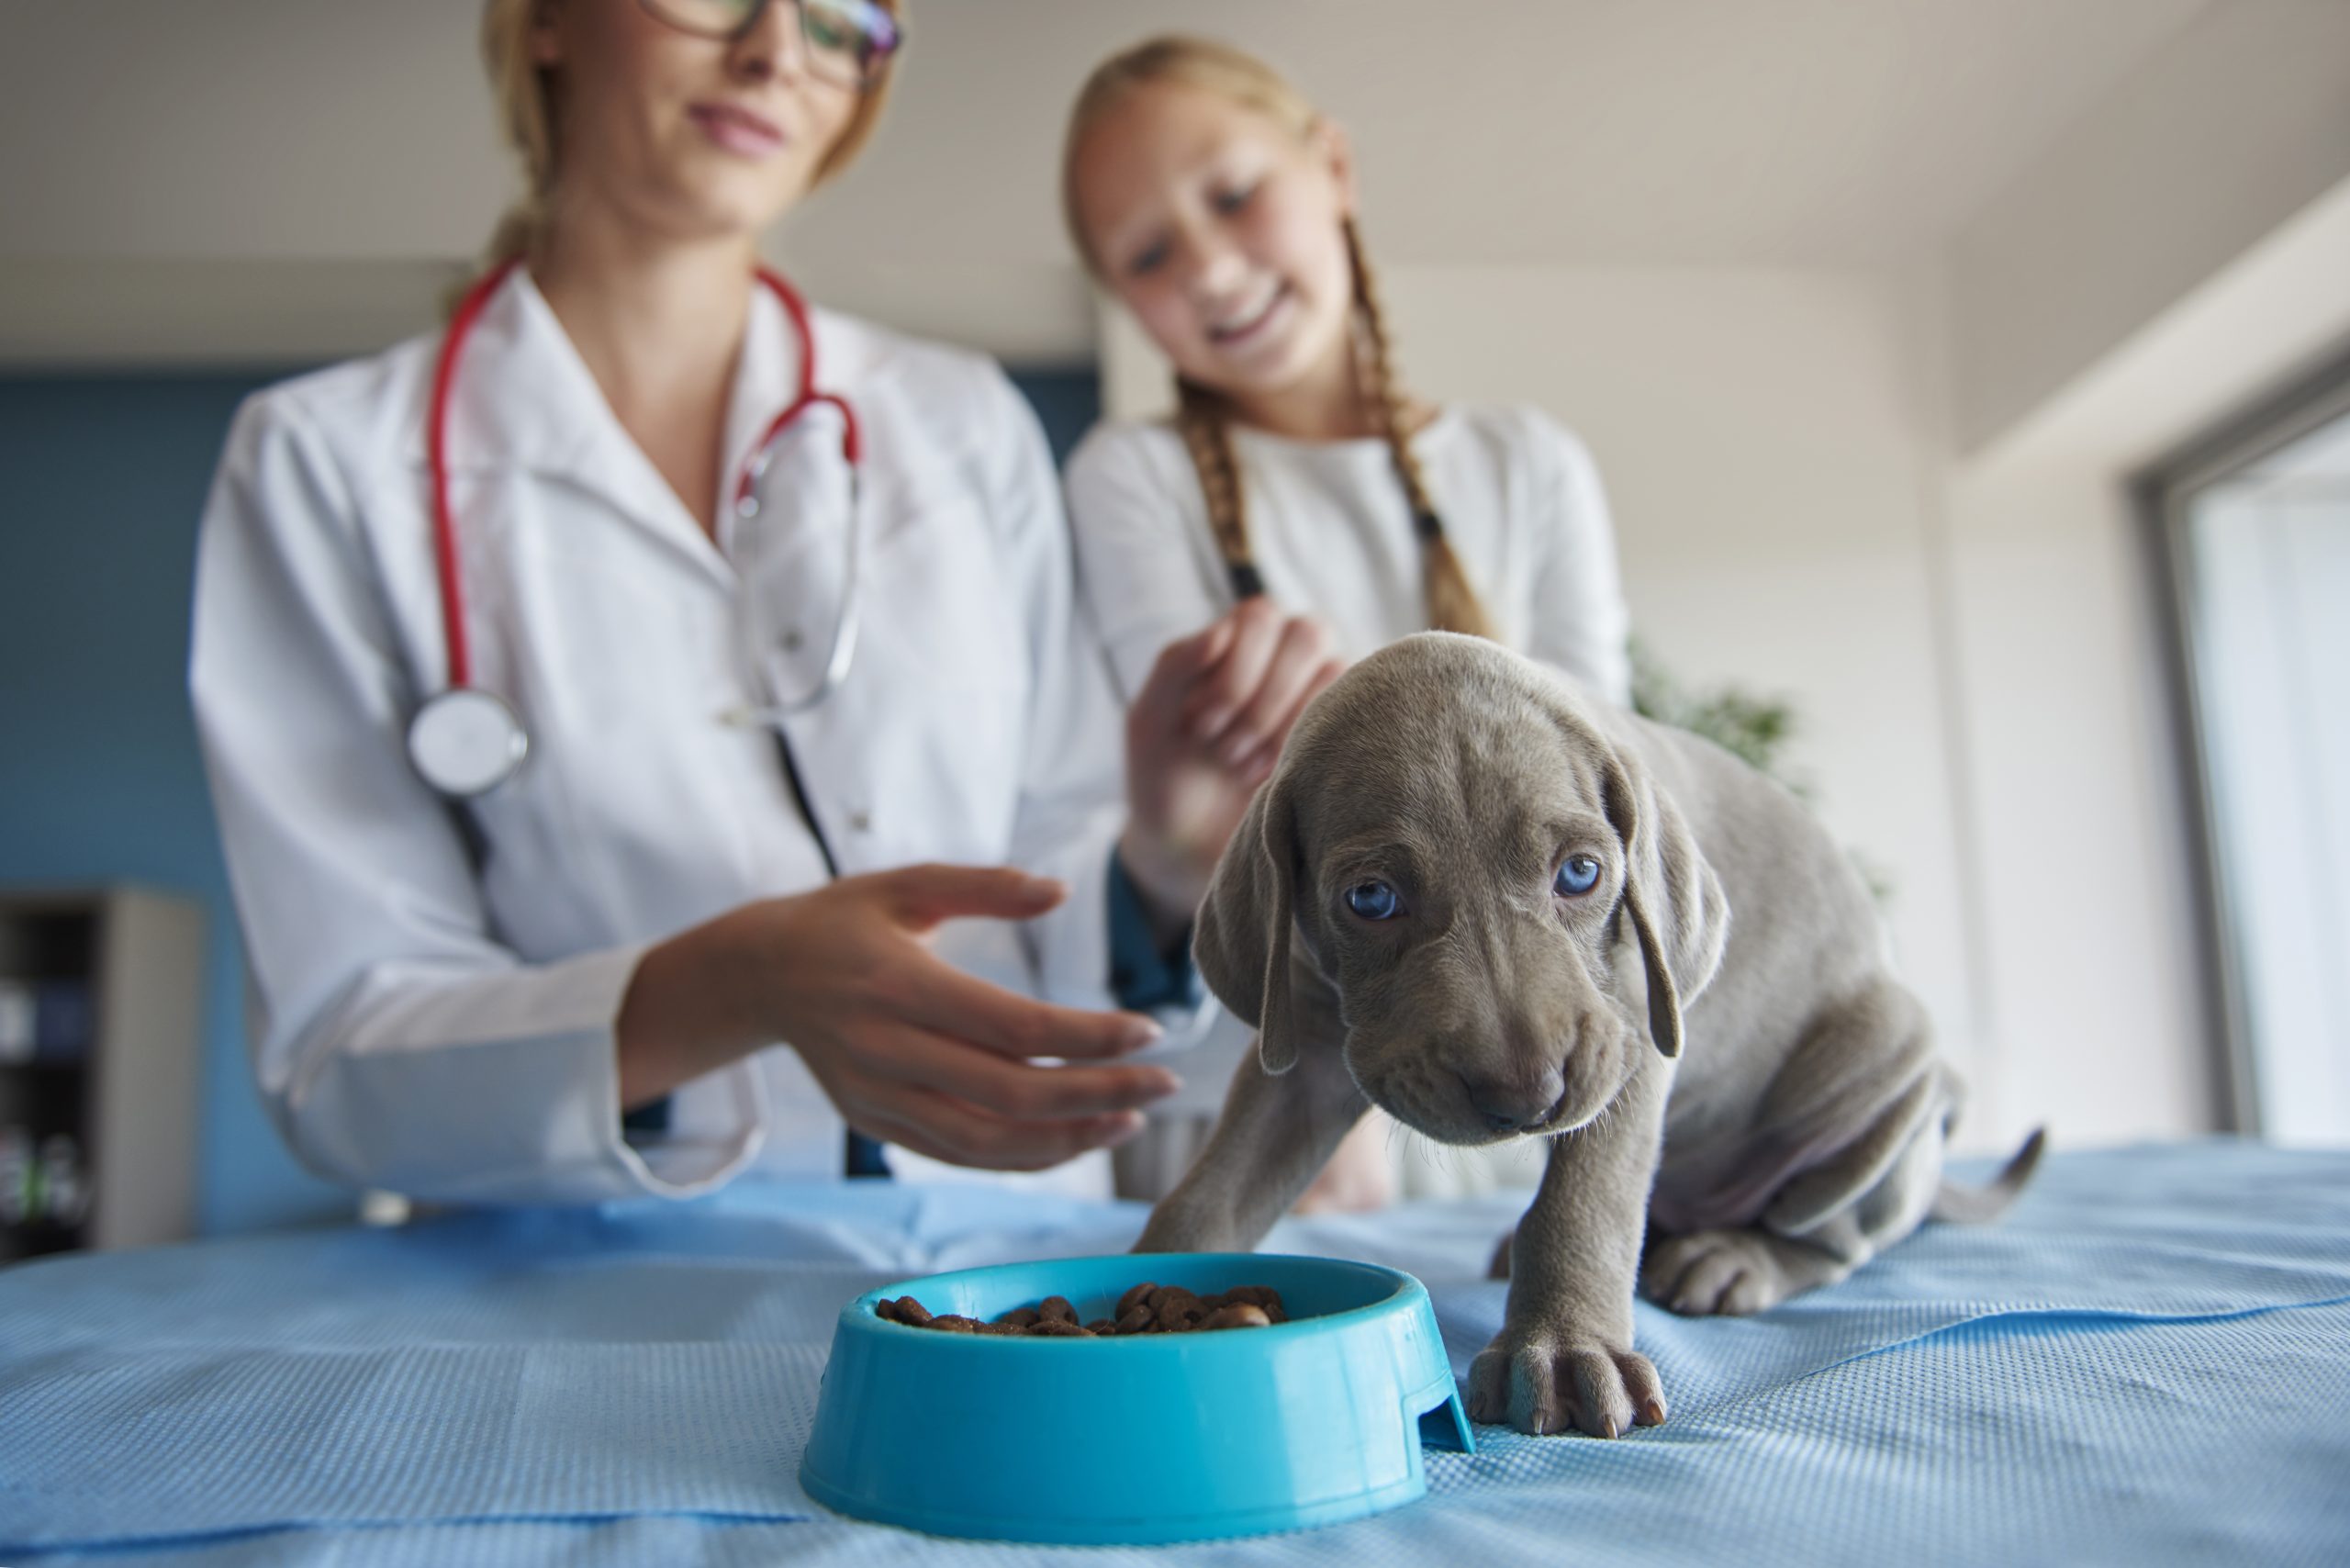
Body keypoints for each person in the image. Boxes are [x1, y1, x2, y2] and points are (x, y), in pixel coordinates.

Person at [189, 0, 1292, 1205]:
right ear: (548, 21)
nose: (776, 52)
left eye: (836, 21)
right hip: (597, 1300)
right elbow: (343, 1056)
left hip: (993, 1271)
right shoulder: (326, 462)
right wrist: (732, 985)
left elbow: (1052, 883)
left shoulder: (957, 424)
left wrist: (1171, 865)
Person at [1059, 35, 1635, 1204]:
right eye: (1151, 254)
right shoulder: (1133, 477)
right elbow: (1215, 823)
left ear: (1331, 166)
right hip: (1274, 1114)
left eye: (1233, 197)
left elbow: (1608, 798)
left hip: (1526, 1106)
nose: (1213, 274)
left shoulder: (1524, 465)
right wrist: (1335, 1107)